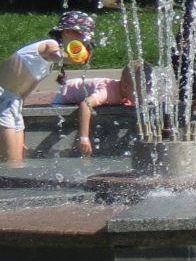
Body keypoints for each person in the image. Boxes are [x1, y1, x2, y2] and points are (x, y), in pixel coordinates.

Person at [1, 12, 95, 166]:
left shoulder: (47, 65)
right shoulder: (49, 45)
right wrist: (75, 56)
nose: (84, 42)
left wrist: (20, 127)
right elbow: (57, 55)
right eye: (83, 37)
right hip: (2, 101)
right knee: (10, 163)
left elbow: (24, 92)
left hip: (13, 105)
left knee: (16, 163)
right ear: (67, 32)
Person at [56, 63, 137, 157]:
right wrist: (84, 137)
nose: (147, 96)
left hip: (78, 88)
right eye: (141, 93)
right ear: (125, 87)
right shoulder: (105, 92)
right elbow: (85, 105)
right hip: (65, 92)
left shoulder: (124, 90)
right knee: (56, 121)